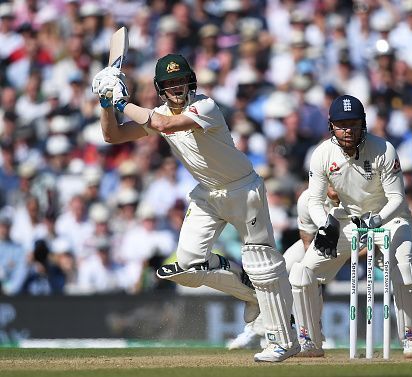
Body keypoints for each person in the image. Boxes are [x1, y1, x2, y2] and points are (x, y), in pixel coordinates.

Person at [91, 54, 298, 362]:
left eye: (181, 81)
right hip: (207, 193)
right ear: (161, 88)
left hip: (243, 189)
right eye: (170, 83)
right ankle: (252, 292)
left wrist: (123, 101)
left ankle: (284, 340)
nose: (177, 88)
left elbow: (165, 124)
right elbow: (113, 135)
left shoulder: (205, 107)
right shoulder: (157, 111)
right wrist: (107, 103)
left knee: (263, 263)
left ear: (191, 81)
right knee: (188, 263)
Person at [228, 186, 412, 353]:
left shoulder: (359, 193)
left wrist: (350, 256)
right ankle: (261, 330)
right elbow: (307, 241)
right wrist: (327, 261)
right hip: (327, 246)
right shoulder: (307, 200)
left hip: (370, 241)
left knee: (404, 272)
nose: (333, 188)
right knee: (284, 265)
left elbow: (373, 237)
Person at [289, 94, 412, 358]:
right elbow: (315, 200)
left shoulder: (384, 150)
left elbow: (398, 198)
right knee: (302, 274)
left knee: (405, 270)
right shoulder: (322, 154)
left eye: (353, 123)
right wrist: (325, 224)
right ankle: (310, 340)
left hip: (389, 219)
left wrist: (377, 219)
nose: (348, 130)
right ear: (331, 126)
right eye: (342, 124)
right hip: (349, 221)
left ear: (363, 123)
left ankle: (411, 336)